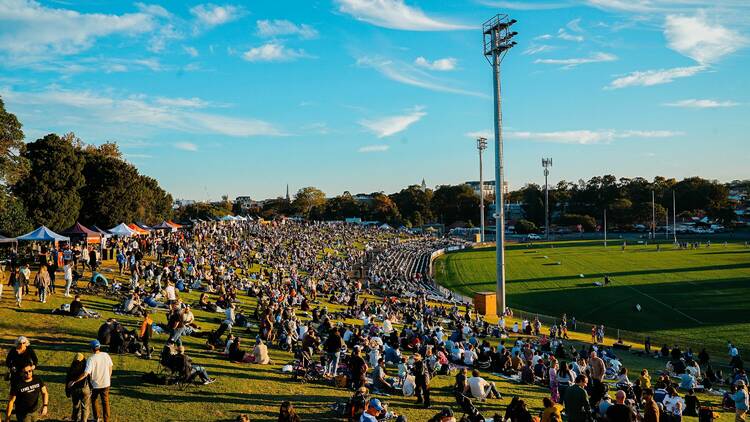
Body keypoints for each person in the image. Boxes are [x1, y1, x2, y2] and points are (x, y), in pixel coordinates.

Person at [67, 340, 113, 422]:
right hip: (106, 383)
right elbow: (110, 367)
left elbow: (85, 374)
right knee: (105, 402)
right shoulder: (106, 355)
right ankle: (106, 419)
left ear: (91, 348)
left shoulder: (91, 359)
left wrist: (74, 381)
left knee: (94, 400)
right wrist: (108, 377)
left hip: (95, 384)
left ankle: (97, 418)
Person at [65, 353, 90, 422]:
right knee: (85, 407)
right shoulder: (86, 367)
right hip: (84, 388)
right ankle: (84, 420)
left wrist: (67, 392)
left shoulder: (71, 369)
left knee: (76, 405)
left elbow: (68, 381)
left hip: (74, 390)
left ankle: (75, 419)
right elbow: (89, 377)